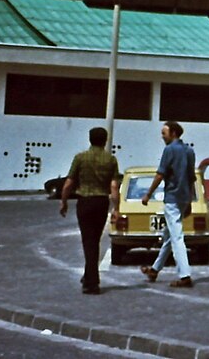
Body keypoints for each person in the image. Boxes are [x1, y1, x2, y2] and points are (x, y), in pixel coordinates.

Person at [59, 126, 121, 295]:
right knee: (95, 239)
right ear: (105, 140)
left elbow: (69, 182)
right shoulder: (111, 159)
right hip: (101, 202)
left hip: (85, 201)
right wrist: (116, 208)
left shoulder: (80, 158)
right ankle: (89, 276)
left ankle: (91, 281)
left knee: (88, 240)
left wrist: (64, 201)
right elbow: (114, 187)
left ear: (90, 139)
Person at [140, 121, 196, 288]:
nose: (162, 136)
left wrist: (148, 194)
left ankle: (185, 275)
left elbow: (160, 174)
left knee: (177, 237)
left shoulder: (169, 150)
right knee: (169, 236)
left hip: (172, 197)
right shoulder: (189, 151)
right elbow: (191, 177)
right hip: (184, 197)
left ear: (173, 133)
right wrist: (191, 200)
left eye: (164, 133)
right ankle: (155, 269)